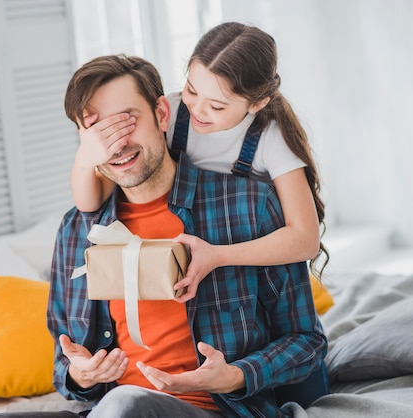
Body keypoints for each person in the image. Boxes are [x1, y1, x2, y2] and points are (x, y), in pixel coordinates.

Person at [47, 54, 327, 418]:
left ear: (162, 115)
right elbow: (62, 363)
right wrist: (80, 375)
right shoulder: (75, 230)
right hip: (110, 409)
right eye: (98, 131)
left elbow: (307, 342)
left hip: (215, 410)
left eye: (127, 121)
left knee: (127, 404)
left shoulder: (248, 206)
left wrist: (235, 376)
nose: (116, 144)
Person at [69, 22, 329, 302]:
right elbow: (90, 202)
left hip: (245, 264)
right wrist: (86, 158)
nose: (198, 110)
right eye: (192, 90)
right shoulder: (172, 112)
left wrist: (217, 256)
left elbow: (305, 239)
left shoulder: (270, 138)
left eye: (217, 106)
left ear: (256, 104)